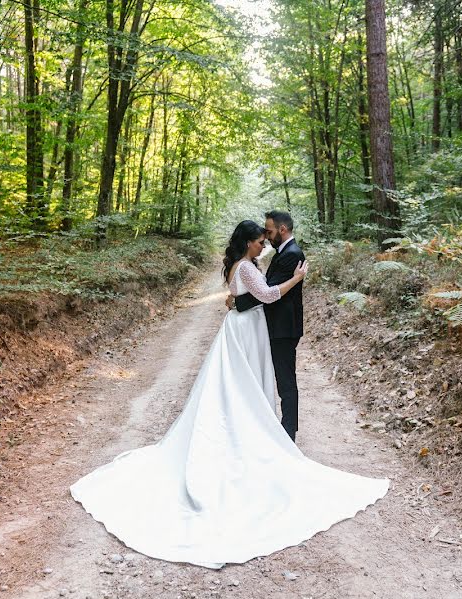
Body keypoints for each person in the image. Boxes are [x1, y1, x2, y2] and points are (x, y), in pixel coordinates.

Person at [70, 220, 388, 569]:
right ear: (248, 243)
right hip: (247, 329)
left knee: (241, 384)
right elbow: (265, 296)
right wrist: (297, 279)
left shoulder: (243, 265)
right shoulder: (247, 267)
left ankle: (251, 429)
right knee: (244, 383)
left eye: (266, 238)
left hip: (243, 326)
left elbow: (245, 297)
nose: (263, 244)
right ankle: (250, 433)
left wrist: (236, 300)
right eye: (259, 240)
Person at [227, 210, 305, 442]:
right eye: (262, 238)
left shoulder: (292, 254)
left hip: (283, 328)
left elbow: (267, 292)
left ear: (282, 230)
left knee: (285, 380)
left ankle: (288, 433)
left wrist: (238, 302)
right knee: (262, 375)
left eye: (269, 232)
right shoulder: (277, 254)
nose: (267, 239)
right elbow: (265, 290)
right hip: (271, 326)